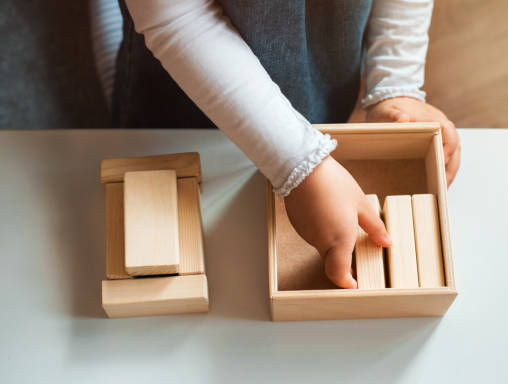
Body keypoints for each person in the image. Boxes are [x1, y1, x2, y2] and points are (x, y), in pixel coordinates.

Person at [113, 0, 461, 289]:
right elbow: (177, 19)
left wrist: (396, 84)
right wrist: (297, 161)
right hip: (184, 114)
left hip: (318, 87)